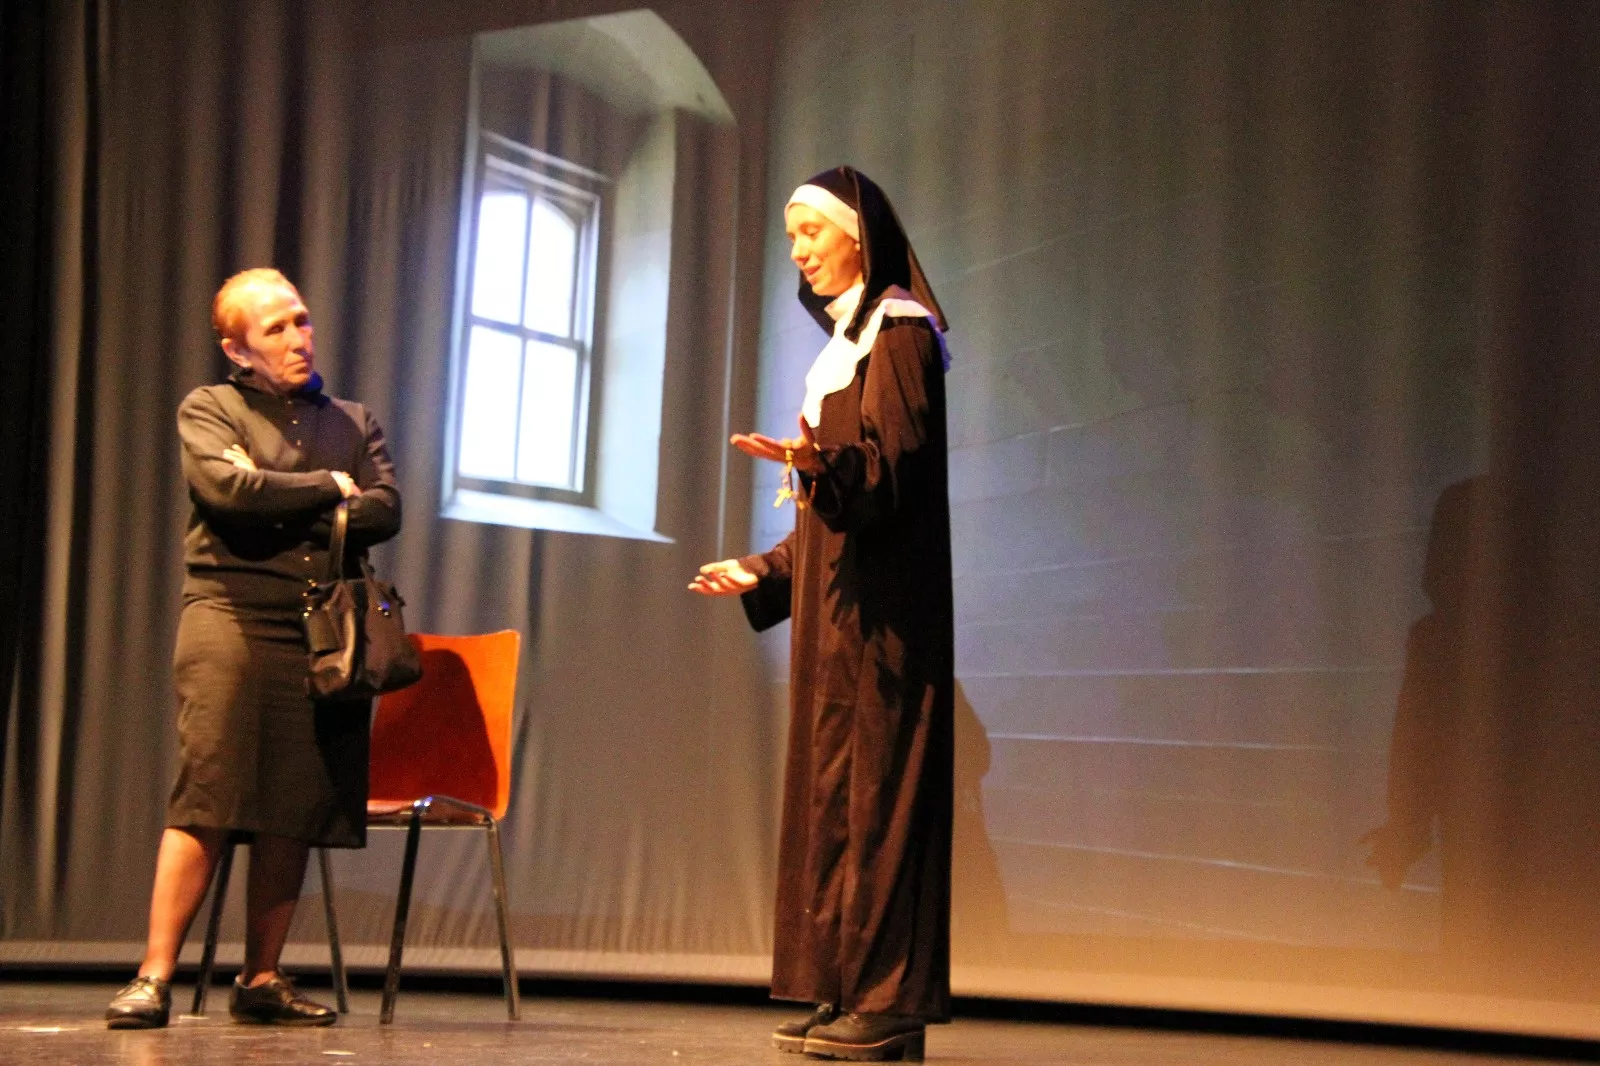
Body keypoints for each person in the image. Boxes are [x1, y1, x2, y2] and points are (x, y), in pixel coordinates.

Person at [690, 166, 954, 1061]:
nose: (798, 251)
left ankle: (889, 1001)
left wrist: (814, 469)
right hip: (838, 622)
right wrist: (763, 570)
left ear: (860, 236)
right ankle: (838, 983)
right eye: (792, 235)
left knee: (881, 801)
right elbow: (829, 527)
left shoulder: (901, 334)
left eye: (812, 231)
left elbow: (891, 476)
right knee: (834, 799)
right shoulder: (841, 349)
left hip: (886, 626)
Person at [105, 269, 401, 1029]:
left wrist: (291, 488)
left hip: (320, 627)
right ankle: (153, 975)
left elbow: (385, 510)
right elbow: (227, 493)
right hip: (230, 617)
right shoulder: (211, 408)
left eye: (300, 321)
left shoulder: (352, 418)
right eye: (276, 329)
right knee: (209, 792)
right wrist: (333, 489)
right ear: (238, 349)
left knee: (292, 806)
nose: (298, 338)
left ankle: (260, 977)